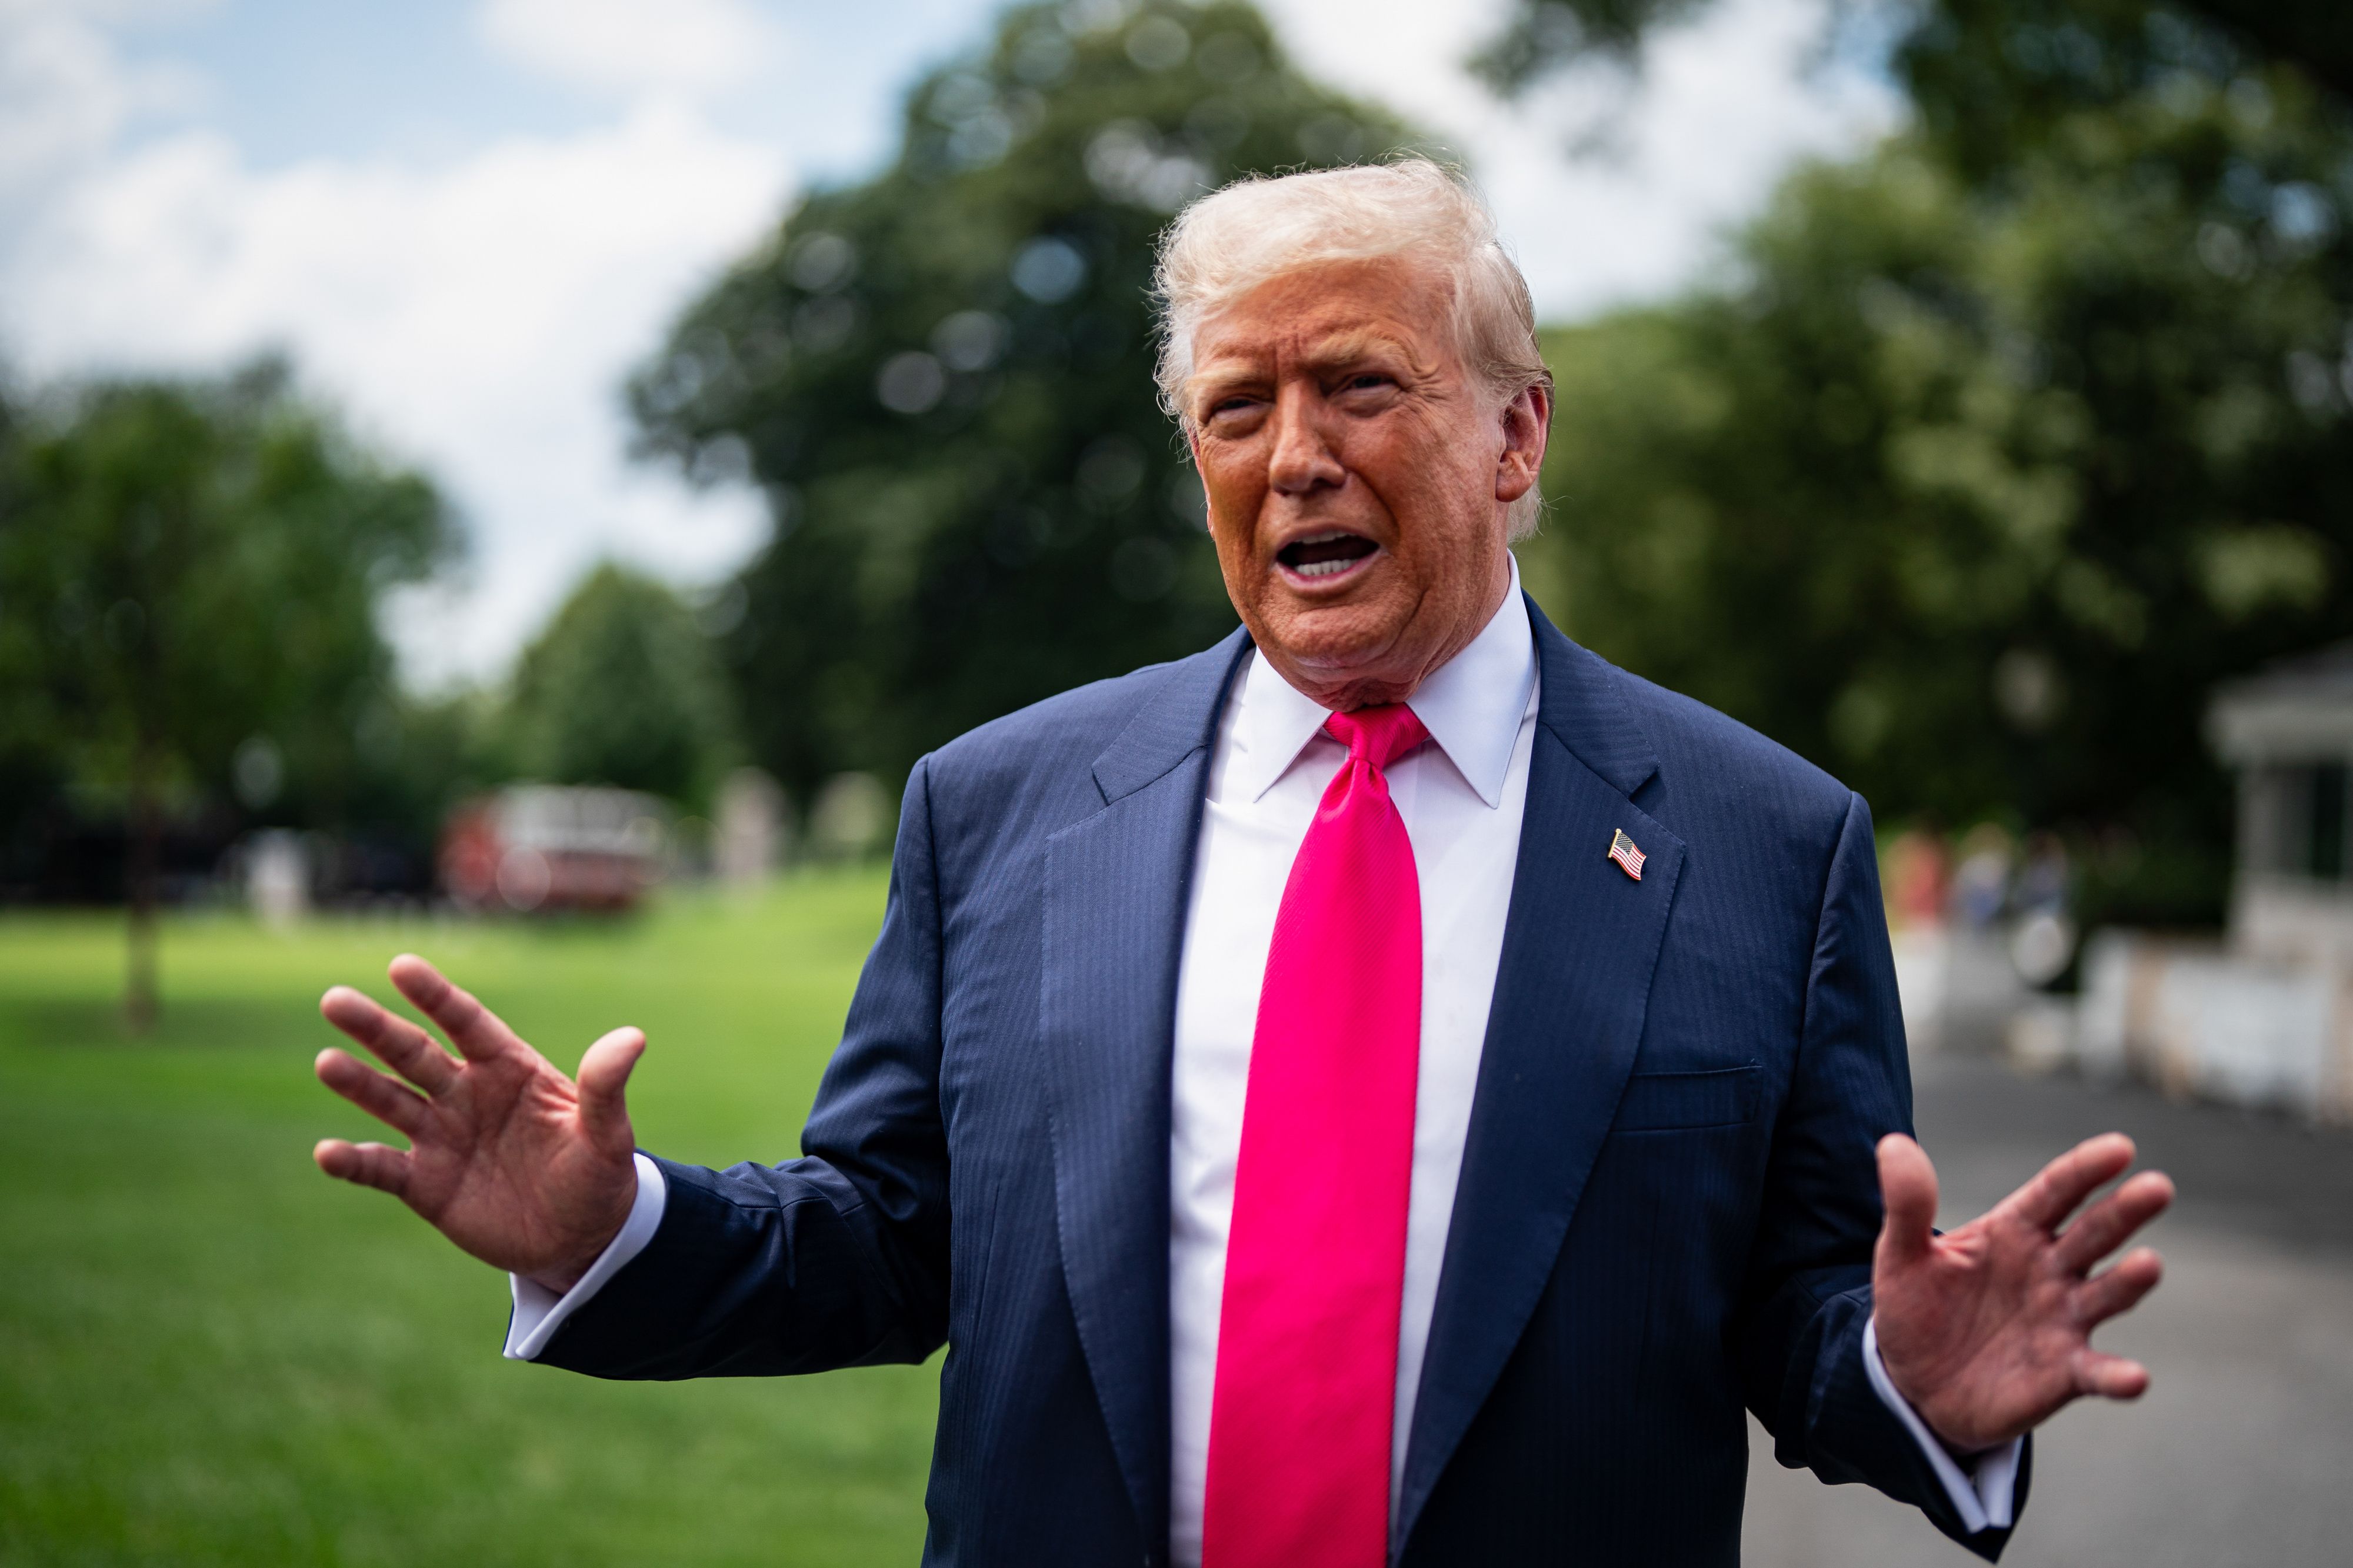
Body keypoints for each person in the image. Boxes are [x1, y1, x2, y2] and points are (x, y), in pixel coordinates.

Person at [311, 162, 2172, 1568]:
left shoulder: (1770, 843)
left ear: (1517, 432)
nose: (1292, 458)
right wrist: (618, 1232)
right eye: (1234, 407)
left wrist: (1904, 1380)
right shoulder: (999, 806)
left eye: (1359, 384)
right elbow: (886, 1236)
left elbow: (1803, 1311)